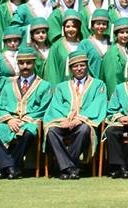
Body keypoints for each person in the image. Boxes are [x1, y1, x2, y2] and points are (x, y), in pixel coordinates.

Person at [0, 46, 51, 179]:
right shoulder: (8, 86)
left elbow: (44, 108)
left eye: (28, 63)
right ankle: (11, 167)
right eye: (21, 63)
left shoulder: (44, 86)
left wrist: (24, 120)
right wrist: (10, 119)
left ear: (34, 63)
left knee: (29, 133)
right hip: (10, 122)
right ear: (18, 64)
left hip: (30, 122)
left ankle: (7, 167)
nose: (25, 66)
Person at [44, 51, 108, 180]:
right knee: (51, 131)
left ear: (87, 66)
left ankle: (64, 168)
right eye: (75, 66)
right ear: (70, 68)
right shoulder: (61, 87)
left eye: (82, 65)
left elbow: (98, 105)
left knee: (84, 130)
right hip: (64, 122)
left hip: (83, 123)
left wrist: (78, 119)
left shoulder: (98, 85)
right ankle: (71, 168)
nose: (79, 69)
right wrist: (65, 119)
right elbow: (56, 106)